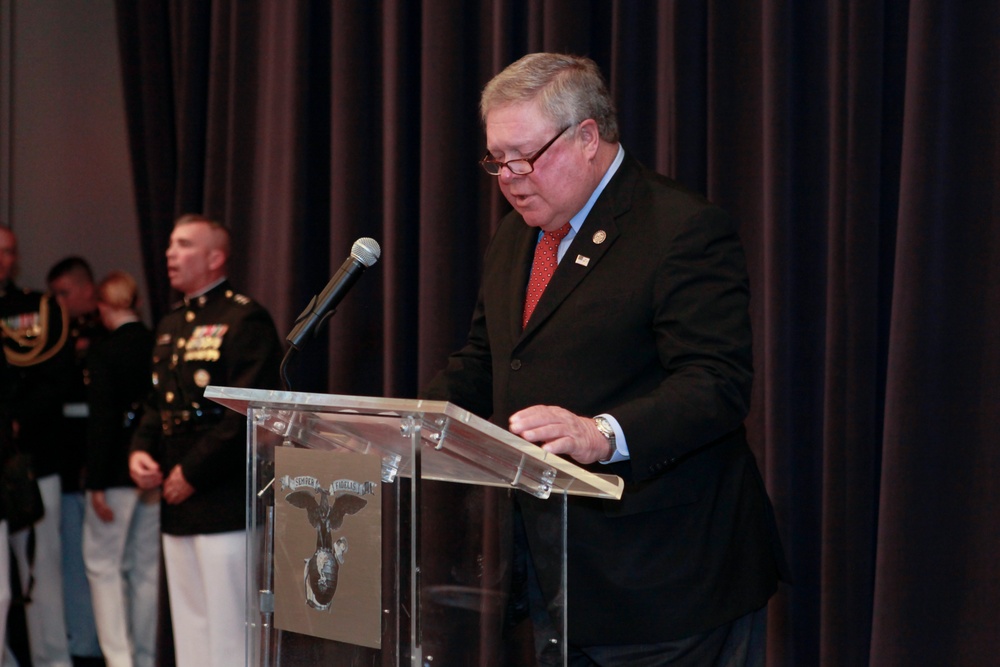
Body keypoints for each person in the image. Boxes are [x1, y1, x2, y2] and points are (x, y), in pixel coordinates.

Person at [421, 53, 785, 666]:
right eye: (497, 160)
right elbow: (489, 361)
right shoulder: (518, 233)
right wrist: (413, 423)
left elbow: (716, 384)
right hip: (551, 575)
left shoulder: (681, 228)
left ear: (587, 136)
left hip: (665, 582)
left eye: (525, 157)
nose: (509, 177)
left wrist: (600, 435)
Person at [128, 214, 283, 667]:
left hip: (223, 495)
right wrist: (140, 449)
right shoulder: (172, 323)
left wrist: (191, 473)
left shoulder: (244, 317)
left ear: (215, 257)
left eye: (183, 245)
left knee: (230, 628)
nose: (170, 253)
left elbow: (247, 413)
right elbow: (159, 402)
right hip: (177, 496)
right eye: (170, 244)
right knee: (191, 624)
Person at [0, 224, 75, 667]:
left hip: (31, 457)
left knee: (41, 566)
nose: (4, 259)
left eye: (9, 251)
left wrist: (13, 420)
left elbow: (57, 379)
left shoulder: (37, 309)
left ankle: (52, 658)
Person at [83, 271, 158, 667]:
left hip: (114, 469)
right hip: (154, 468)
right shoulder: (157, 343)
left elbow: (102, 420)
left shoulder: (104, 352)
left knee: (102, 565)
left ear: (102, 306)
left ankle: (118, 658)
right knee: (145, 567)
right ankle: (144, 658)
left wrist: (94, 482)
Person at [47, 256, 106, 664]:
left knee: (102, 563)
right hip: (67, 465)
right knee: (69, 562)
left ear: (88, 289)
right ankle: (81, 643)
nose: (59, 303)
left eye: (65, 293)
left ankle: (99, 645)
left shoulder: (108, 336)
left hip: (103, 468)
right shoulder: (53, 339)